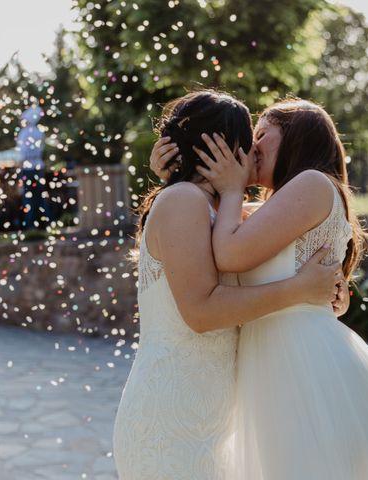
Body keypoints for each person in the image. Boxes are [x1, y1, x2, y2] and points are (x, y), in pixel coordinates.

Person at [154, 97, 368, 479]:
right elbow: (200, 232)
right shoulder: (276, 205)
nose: (251, 147)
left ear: (296, 137)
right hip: (274, 363)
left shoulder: (312, 183)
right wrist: (177, 174)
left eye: (262, 135)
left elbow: (228, 252)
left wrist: (230, 189)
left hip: (303, 362)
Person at [112, 91, 346, 480]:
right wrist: (299, 289)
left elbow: (274, 234)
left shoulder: (215, 210)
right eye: (248, 140)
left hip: (212, 420)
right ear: (222, 149)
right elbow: (202, 313)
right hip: (173, 419)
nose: (254, 151)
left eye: (260, 138)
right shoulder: (184, 200)